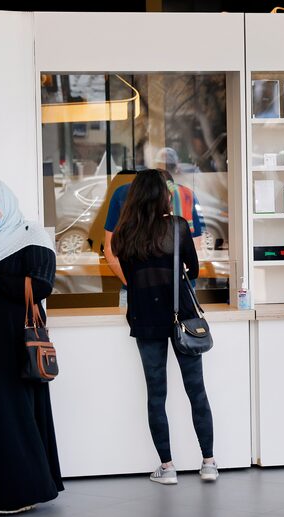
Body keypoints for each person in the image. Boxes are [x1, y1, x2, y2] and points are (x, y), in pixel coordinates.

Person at [0, 178, 63, 512]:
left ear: (4, 203)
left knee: (11, 414)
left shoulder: (30, 237)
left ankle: (21, 491)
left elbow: (42, 286)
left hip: (12, 344)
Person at [111, 169, 217, 485]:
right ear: (163, 195)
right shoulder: (177, 227)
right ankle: (209, 463)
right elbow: (194, 269)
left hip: (145, 318)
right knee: (196, 390)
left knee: (156, 394)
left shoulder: (122, 235)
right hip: (182, 315)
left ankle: (167, 468)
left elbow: (129, 274)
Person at [103, 148, 204, 306]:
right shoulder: (177, 222)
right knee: (178, 329)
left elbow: (195, 250)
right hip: (163, 293)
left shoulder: (185, 200)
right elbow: (110, 248)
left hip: (173, 293)